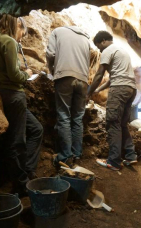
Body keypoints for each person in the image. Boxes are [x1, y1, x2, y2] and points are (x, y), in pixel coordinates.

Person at [0, 14, 43, 194]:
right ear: (17, 26)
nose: (22, 36)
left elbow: (2, 69)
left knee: (36, 129)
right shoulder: (9, 42)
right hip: (14, 94)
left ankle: (27, 170)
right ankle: (21, 184)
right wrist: (27, 74)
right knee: (18, 141)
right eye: (23, 31)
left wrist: (17, 70)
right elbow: (14, 75)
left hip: (1, 93)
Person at [88, 31, 137, 171]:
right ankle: (130, 155)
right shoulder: (122, 51)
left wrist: (89, 92)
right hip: (131, 89)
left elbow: (99, 74)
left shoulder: (107, 50)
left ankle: (114, 161)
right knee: (122, 123)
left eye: (99, 47)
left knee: (112, 122)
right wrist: (99, 89)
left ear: (103, 41)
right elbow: (113, 77)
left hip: (119, 90)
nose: (99, 50)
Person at [46, 26, 91, 167]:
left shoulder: (57, 31)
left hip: (65, 76)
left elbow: (50, 54)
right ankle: (77, 155)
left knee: (64, 116)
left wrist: (51, 69)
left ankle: (65, 156)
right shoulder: (85, 38)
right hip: (83, 79)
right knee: (77, 118)